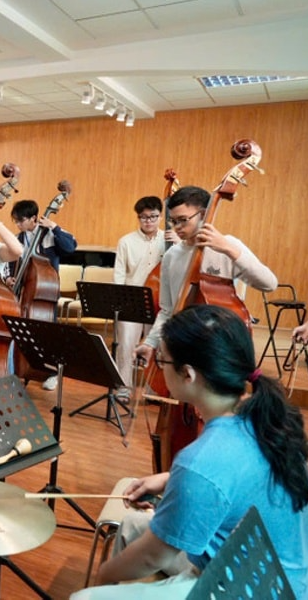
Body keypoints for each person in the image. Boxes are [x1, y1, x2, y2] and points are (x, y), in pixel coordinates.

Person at [72, 304, 308, 599]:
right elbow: (237, 477)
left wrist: (103, 576)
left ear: (188, 374)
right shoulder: (266, 417)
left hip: (251, 589)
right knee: (132, 526)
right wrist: (170, 479)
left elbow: (153, 557)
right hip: (279, 574)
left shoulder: (200, 461)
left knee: (83, 597)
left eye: (162, 360)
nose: (158, 366)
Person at [135, 186, 277, 366]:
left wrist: (229, 250)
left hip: (218, 346)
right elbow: (168, 310)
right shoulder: (171, 256)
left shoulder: (228, 244)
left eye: (183, 220)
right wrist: (150, 343)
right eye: (173, 221)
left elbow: (269, 283)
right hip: (183, 342)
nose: (177, 227)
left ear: (203, 214)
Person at [9, 199, 77, 390]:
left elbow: (70, 247)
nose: (18, 225)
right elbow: (12, 263)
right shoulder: (18, 238)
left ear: (33, 218)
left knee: (48, 336)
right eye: (16, 221)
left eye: (21, 220)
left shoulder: (50, 234)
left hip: (46, 293)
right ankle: (19, 368)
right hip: (25, 292)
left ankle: (52, 373)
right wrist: (10, 278)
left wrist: (54, 227)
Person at [112, 196, 172, 395]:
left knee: (158, 346)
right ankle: (124, 387)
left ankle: (153, 389)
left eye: (153, 216)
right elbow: (119, 274)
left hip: (160, 302)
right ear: (138, 217)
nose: (149, 221)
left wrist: (178, 243)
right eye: (144, 217)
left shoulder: (170, 240)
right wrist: (119, 302)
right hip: (132, 300)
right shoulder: (126, 242)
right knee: (126, 345)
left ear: (161, 216)